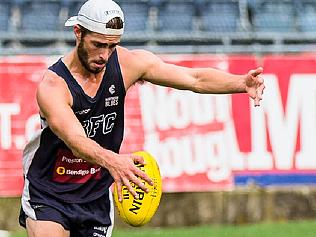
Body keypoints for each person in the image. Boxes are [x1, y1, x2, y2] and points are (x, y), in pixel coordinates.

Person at [19, 0, 265, 236]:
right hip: (49, 190)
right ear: (78, 33)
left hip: (95, 193)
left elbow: (194, 79)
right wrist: (115, 162)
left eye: (112, 46)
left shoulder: (127, 64)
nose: (105, 55)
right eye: (98, 44)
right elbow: (75, 140)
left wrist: (240, 82)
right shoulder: (53, 86)